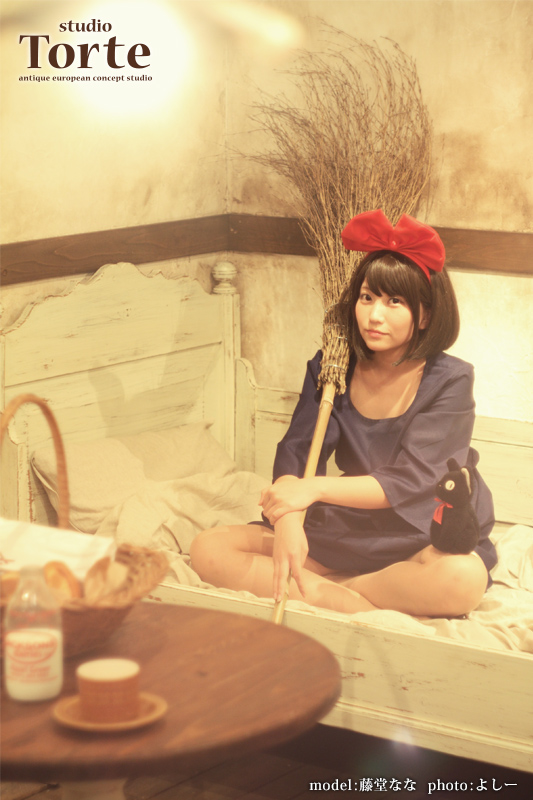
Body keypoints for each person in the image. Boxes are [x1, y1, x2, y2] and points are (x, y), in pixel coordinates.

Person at [190, 209, 496, 618]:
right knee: (208, 549)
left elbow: (413, 479)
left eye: (394, 301)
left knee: (463, 579)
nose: (374, 315)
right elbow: (298, 452)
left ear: (424, 314)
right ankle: (344, 598)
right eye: (367, 298)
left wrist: (314, 490)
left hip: (418, 529)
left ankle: (346, 589)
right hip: (348, 523)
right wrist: (288, 521)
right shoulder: (332, 367)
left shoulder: (450, 380)